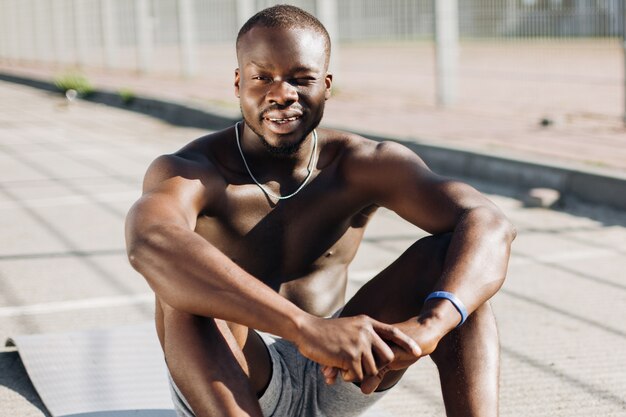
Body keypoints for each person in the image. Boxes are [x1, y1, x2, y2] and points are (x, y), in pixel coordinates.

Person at [125, 5, 515, 417]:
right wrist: (305, 328)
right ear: (239, 83)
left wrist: (430, 328)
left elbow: (487, 221)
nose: (282, 93)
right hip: (236, 377)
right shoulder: (193, 171)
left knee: (455, 276)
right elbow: (150, 243)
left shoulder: (361, 163)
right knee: (182, 292)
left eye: (301, 78)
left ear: (326, 85)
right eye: (262, 78)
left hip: (340, 367)